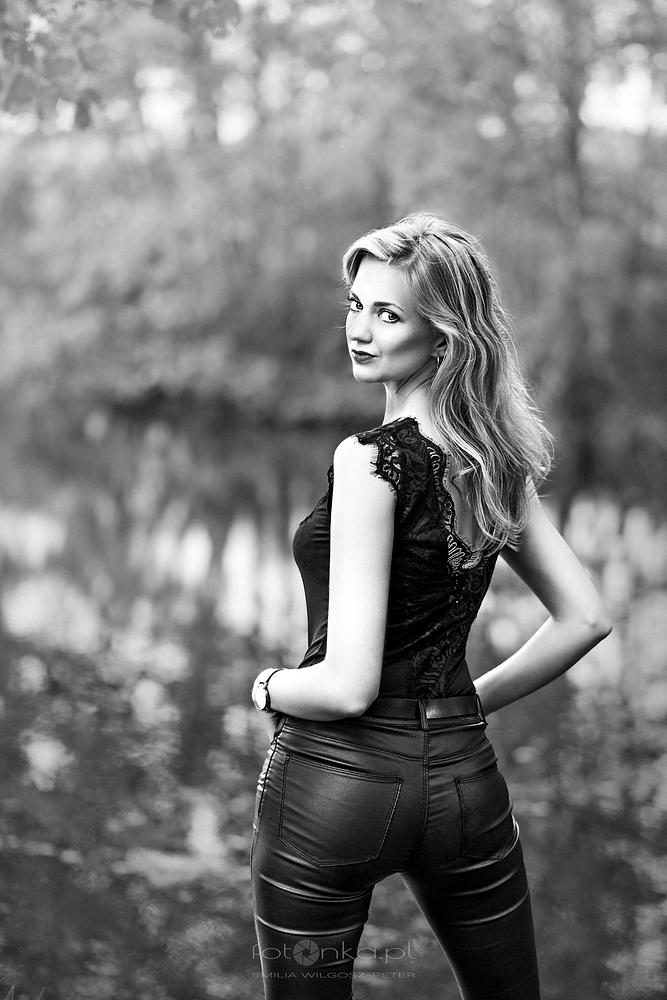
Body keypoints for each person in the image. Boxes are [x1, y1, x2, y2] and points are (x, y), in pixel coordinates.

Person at [249, 212, 612, 1000]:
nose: (360, 329)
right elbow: (585, 617)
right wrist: (466, 705)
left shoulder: (371, 460)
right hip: (462, 785)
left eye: (388, 314)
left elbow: (347, 686)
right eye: (355, 305)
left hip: (335, 785)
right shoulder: (494, 464)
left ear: (443, 335)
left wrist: (269, 686)